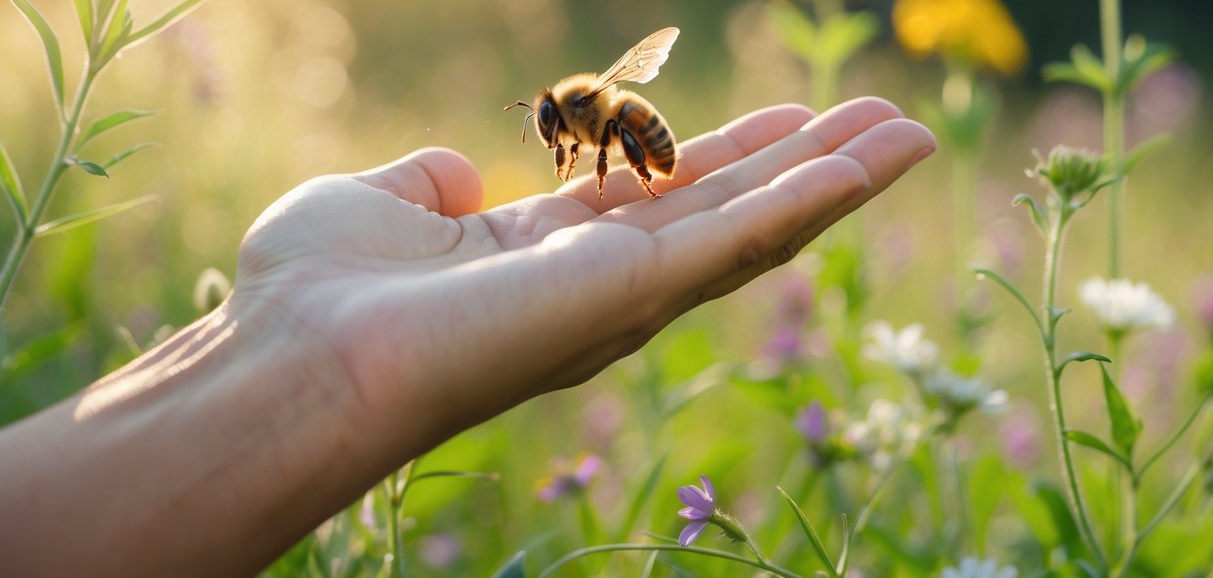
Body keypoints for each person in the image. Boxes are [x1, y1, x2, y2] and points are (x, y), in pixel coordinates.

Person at [0, 98, 934, 576]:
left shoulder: (592, 119)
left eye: (554, 135)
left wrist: (277, 353)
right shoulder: (583, 117)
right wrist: (286, 353)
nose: (553, 146)